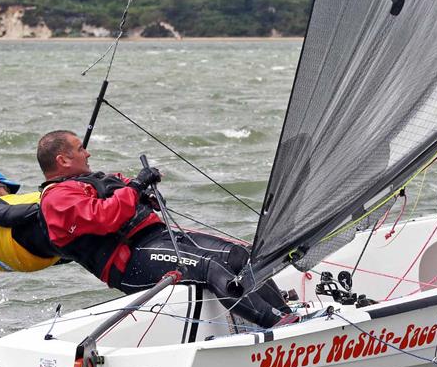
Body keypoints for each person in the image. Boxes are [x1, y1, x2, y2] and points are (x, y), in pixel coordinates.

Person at [36, 130, 297, 328]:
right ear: (63, 159)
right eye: (81, 149)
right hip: (130, 261)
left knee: (240, 256)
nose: (88, 153)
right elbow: (104, 216)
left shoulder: (87, 181)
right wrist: (136, 187)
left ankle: (286, 314)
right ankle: (276, 324)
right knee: (211, 267)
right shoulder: (57, 198)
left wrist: (145, 193)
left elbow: (122, 190)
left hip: (155, 237)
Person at [0, 171, 61, 272]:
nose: (11, 196)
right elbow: (6, 215)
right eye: (7, 190)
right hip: (35, 239)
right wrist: (49, 205)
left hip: (45, 251)